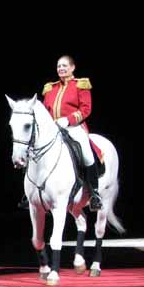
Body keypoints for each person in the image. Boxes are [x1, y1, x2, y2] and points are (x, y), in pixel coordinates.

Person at [18, 55, 102, 212]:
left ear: (72, 68)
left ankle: (94, 193)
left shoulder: (81, 85)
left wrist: (68, 120)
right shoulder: (50, 88)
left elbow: (85, 109)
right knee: (32, 151)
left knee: (86, 153)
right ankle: (29, 193)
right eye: (58, 66)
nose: (61, 69)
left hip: (74, 127)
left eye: (64, 66)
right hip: (54, 128)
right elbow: (45, 111)